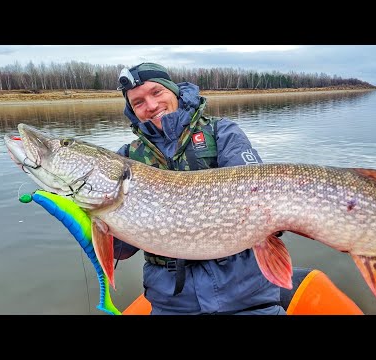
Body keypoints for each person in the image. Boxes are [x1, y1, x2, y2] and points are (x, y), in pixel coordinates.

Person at [113, 62, 286, 315]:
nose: (150, 106)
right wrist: (88, 214)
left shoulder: (221, 132)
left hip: (246, 296)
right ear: (132, 111)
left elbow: (259, 197)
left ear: (174, 91)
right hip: (172, 304)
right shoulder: (126, 160)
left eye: (156, 92)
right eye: (138, 102)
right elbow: (122, 250)